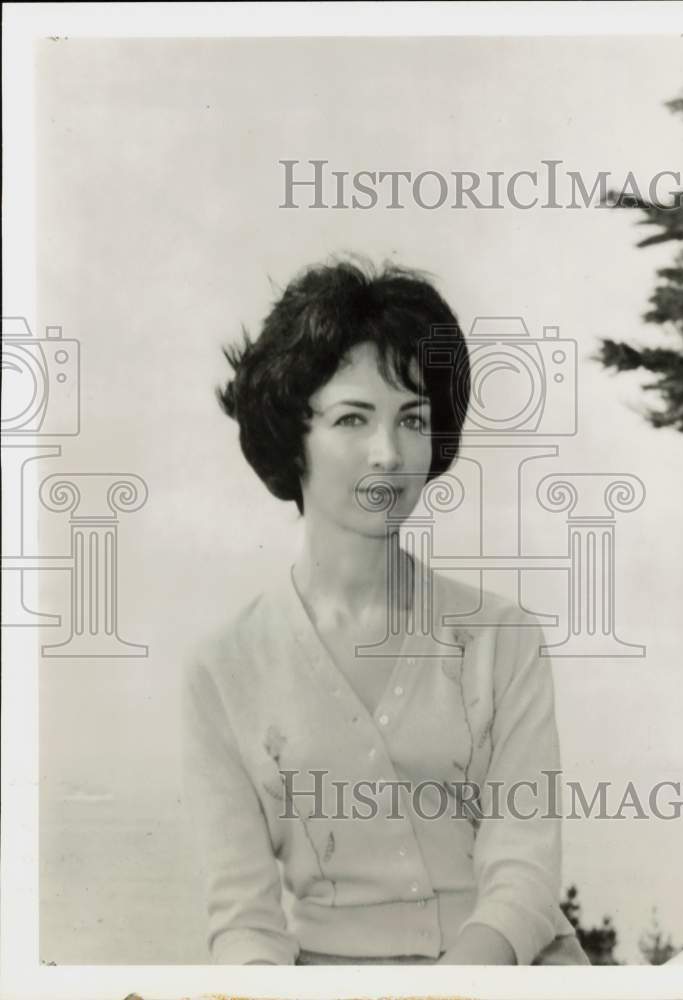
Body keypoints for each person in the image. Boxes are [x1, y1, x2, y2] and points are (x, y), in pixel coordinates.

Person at [181, 259, 588, 966]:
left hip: (504, 969)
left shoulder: (501, 639)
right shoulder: (222, 668)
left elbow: (522, 877)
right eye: (351, 418)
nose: (387, 454)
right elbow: (243, 921)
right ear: (292, 436)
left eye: (412, 420)